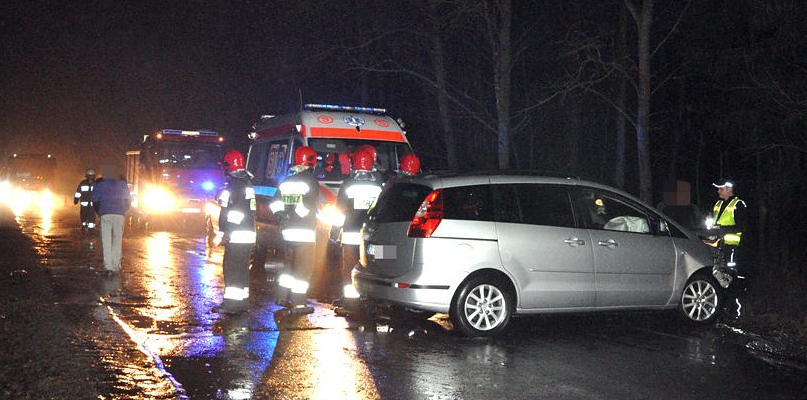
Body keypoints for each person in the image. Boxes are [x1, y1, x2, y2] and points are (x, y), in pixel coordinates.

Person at [270, 146, 320, 315]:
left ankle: (282, 297)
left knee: (288, 267)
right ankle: (299, 304)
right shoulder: (311, 181)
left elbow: (275, 203)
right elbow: (310, 206)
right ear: (311, 162)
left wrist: (282, 216)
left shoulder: (286, 181)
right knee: (303, 269)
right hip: (304, 232)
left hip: (287, 231)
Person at [334, 149, 384, 311]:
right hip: (373, 235)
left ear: (354, 164)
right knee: (375, 266)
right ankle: (372, 301)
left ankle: (351, 303)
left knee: (349, 268)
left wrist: (334, 231)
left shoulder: (348, 185)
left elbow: (340, 212)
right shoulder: (380, 184)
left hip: (351, 236)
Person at [214, 150, 257, 314]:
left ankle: (231, 305)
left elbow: (235, 213)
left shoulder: (237, 185)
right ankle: (241, 303)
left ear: (227, 166)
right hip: (246, 235)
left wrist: (227, 233)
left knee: (232, 270)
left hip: (236, 236)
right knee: (241, 270)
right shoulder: (245, 183)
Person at [92, 165, 131, 275]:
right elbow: (128, 200)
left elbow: (95, 201)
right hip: (119, 214)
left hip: (105, 214)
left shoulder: (100, 185)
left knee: (106, 240)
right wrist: (124, 210)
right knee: (117, 240)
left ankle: (108, 266)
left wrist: (99, 212)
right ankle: (115, 265)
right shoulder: (122, 184)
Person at [709, 179, 747, 276]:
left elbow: (742, 226)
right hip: (717, 244)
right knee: (716, 269)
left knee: (731, 269)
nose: (718, 191)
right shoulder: (718, 204)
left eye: (721, 189)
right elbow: (713, 221)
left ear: (729, 189)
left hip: (732, 246)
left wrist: (724, 230)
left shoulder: (738, 204)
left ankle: (734, 287)